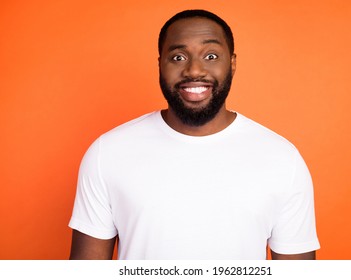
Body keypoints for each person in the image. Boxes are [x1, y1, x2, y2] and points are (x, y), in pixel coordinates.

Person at [69, 9, 320, 260]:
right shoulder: (109, 153)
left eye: (211, 56)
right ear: (160, 64)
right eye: (178, 57)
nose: (194, 70)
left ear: (232, 63)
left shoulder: (283, 159)